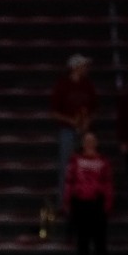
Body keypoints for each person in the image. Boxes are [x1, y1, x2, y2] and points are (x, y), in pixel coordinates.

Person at [63, 131, 114, 255]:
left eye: (92, 140)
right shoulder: (75, 159)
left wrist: (108, 203)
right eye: (87, 140)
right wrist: (67, 201)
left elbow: (108, 183)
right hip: (80, 202)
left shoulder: (103, 161)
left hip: (97, 202)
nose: (89, 143)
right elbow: (69, 181)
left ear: (97, 143)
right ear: (82, 142)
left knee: (100, 238)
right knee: (82, 238)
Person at [50, 55, 97, 198]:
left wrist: (87, 121)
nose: (86, 68)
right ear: (75, 67)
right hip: (67, 130)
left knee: (87, 165)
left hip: (84, 130)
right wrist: (71, 121)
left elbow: (95, 109)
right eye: (83, 65)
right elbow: (54, 112)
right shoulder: (62, 85)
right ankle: (64, 201)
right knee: (67, 166)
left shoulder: (88, 85)